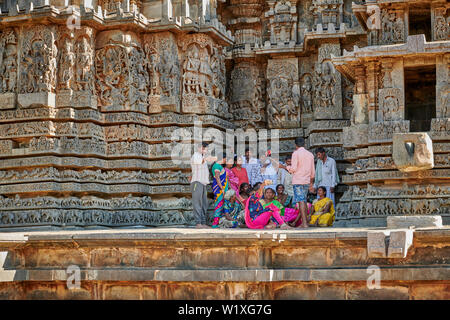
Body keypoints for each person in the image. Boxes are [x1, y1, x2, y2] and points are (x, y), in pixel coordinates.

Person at [286, 137, 315, 228]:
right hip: (306, 181)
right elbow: (313, 172)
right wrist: (311, 184)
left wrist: (286, 167)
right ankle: (304, 222)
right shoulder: (310, 154)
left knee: (301, 201)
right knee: (304, 200)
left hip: (298, 181)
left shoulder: (296, 153)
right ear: (304, 144)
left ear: (296, 145)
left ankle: (305, 223)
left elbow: (293, 169)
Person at [190, 142, 216, 229]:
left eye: (206, 148)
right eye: (204, 148)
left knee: (204, 203)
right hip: (197, 182)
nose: (205, 150)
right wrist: (208, 158)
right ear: (199, 148)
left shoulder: (202, 157)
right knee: (197, 203)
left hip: (203, 183)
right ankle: (198, 223)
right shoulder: (196, 155)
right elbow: (200, 162)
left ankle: (203, 223)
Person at [211, 154, 229, 228]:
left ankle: (219, 223)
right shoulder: (216, 166)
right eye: (225, 159)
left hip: (222, 190)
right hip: (219, 190)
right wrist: (222, 188)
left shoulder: (220, 166)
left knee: (221, 205)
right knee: (219, 204)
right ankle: (215, 224)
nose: (226, 160)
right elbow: (218, 178)